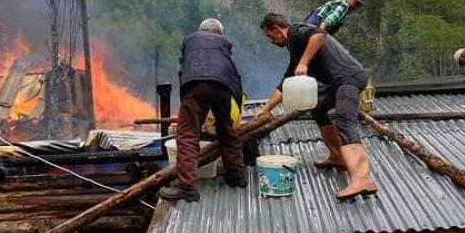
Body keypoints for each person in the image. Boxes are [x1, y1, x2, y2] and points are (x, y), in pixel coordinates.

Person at [253, 13, 376, 201]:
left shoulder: (296, 32)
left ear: (277, 29)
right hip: (337, 84)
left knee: (344, 121)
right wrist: (266, 109)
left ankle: (362, 178)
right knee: (318, 109)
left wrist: (304, 63)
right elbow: (285, 83)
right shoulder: (296, 48)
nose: (271, 42)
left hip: (348, 79)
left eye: (270, 36)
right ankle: (338, 157)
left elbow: (319, 34)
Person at [159, 18, 245, 203]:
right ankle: (237, 177)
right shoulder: (224, 43)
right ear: (219, 33)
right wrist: (236, 102)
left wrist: (186, 100)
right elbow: (231, 70)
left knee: (188, 135)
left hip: (196, 84)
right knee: (227, 131)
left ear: (201, 30)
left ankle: (188, 187)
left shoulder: (188, 40)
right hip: (224, 86)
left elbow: (182, 68)